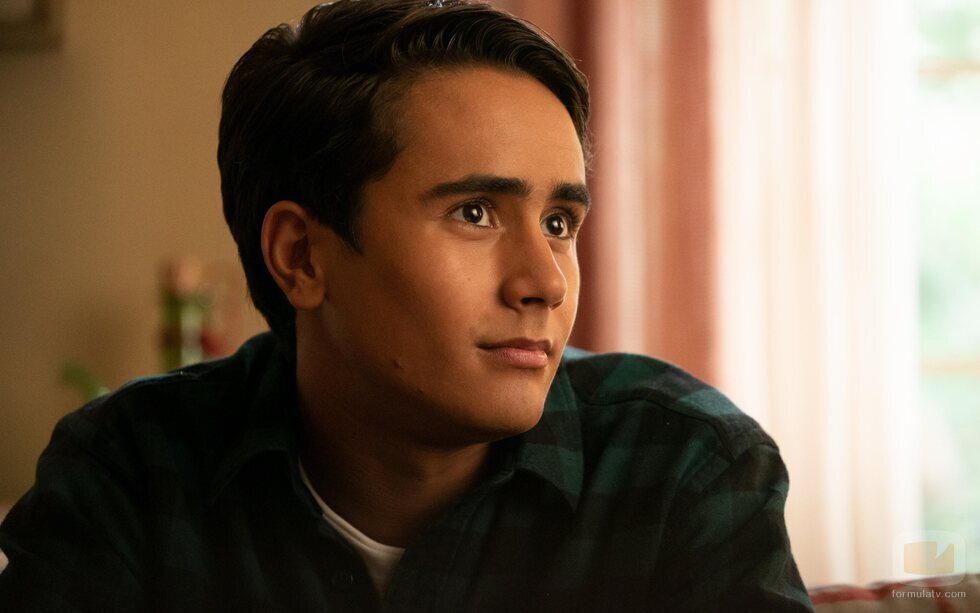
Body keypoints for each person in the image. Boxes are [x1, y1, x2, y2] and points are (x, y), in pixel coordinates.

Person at [0, 1, 814, 610]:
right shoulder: (132, 474)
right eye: (475, 212)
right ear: (302, 255)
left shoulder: (683, 469)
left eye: (559, 222)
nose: (545, 281)